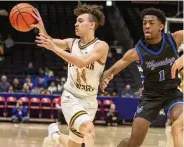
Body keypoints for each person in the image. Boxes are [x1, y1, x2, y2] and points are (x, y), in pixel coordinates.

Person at [100, 8, 183, 147]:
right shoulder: (138, 51)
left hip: (172, 93)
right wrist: (106, 75)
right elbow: (116, 67)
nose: (147, 26)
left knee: (180, 123)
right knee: (133, 143)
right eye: (144, 23)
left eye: (151, 22)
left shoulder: (175, 38)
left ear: (161, 26)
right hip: (150, 97)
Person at [31, 2, 109, 147]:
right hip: (71, 97)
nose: (76, 24)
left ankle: (54, 135)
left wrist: (54, 48)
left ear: (92, 24)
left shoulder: (101, 46)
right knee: (89, 130)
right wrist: (40, 27)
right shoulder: (71, 43)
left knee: (75, 145)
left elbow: (82, 62)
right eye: (76, 21)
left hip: (90, 101)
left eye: (80, 21)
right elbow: (48, 41)